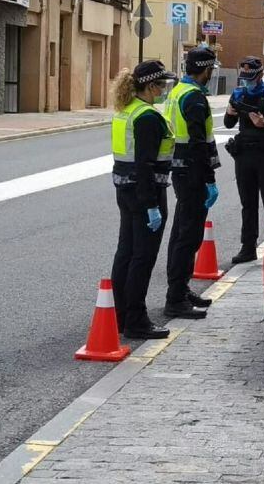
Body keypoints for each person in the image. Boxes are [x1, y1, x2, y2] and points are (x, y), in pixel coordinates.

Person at [110, 60, 175, 340]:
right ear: (150, 86)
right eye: (162, 85)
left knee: (126, 253)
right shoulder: (147, 117)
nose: (164, 90)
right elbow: (145, 165)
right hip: (145, 193)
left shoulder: (127, 111)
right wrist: (151, 206)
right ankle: (136, 320)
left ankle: (121, 316)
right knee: (142, 258)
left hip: (125, 191)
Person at [162, 46, 221, 319]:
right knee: (188, 236)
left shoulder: (176, 92)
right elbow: (199, 143)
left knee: (181, 233)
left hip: (180, 170)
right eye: (211, 69)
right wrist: (209, 178)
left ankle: (180, 289)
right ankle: (175, 298)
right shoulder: (195, 98)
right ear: (206, 69)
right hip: (193, 173)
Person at [224, 56, 264, 264]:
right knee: (248, 204)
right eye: (244, 77)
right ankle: (248, 247)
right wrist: (229, 112)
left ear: (260, 75)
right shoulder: (238, 94)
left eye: (250, 77)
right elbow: (228, 123)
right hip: (244, 155)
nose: (247, 81)